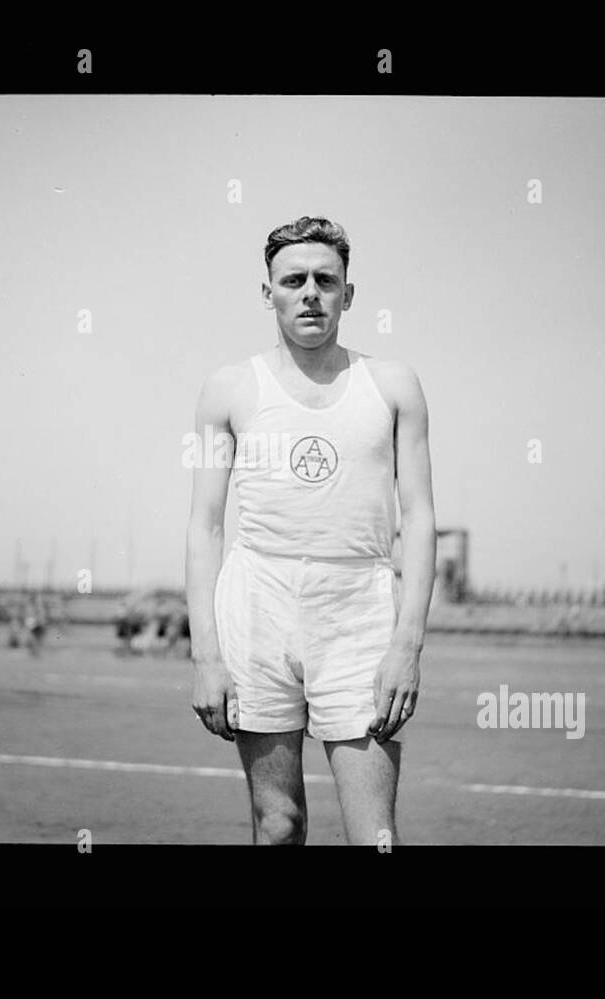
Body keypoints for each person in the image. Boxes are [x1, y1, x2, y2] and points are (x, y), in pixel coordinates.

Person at [186, 216, 436, 846]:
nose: (310, 293)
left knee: (373, 836)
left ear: (348, 294)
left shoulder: (393, 385)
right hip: (257, 605)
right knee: (278, 825)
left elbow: (422, 519)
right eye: (293, 280)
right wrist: (205, 653)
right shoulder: (228, 389)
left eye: (326, 280)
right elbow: (205, 526)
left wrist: (407, 644)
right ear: (266, 291)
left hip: (358, 609)